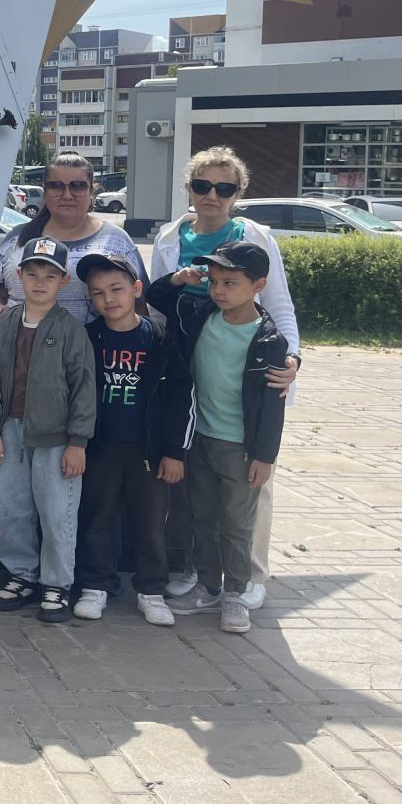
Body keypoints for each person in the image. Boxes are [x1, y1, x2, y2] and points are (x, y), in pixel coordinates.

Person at [149, 146, 300, 609]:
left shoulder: (253, 236)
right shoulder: (170, 237)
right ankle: (199, 570)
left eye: (224, 187)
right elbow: (159, 306)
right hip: (193, 367)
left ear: (238, 193)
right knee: (196, 488)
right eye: (202, 185)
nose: (212, 195)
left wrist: (292, 359)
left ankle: (249, 575)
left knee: (249, 485)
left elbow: (279, 303)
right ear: (189, 188)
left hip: (245, 367)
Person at [149, 243, 289, 635]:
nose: (218, 290)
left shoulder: (268, 340)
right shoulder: (201, 315)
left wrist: (264, 455)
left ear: (258, 285)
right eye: (213, 281)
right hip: (199, 438)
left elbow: (273, 405)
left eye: (230, 283)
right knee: (202, 517)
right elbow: (156, 296)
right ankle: (210, 587)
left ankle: (236, 594)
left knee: (237, 524)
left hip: (241, 448)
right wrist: (180, 278)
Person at [0, 237, 96, 623]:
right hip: (10, 431)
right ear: (19, 276)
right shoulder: (3, 324)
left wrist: (78, 442)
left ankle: (57, 583)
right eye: (32, 274)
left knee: (56, 511)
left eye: (50, 276)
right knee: (11, 508)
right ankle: (22, 574)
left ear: (64, 281)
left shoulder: (71, 330)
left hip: (56, 436)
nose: (40, 282)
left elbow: (83, 389)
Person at [71, 254, 183, 627]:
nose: (108, 299)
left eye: (116, 289)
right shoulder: (88, 338)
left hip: (147, 451)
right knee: (96, 517)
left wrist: (174, 452)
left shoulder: (159, 339)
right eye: (98, 292)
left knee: (150, 523)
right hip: (100, 447)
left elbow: (179, 399)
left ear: (136, 289)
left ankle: (151, 590)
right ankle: (95, 585)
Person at [0, 153, 146, 326]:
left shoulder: (116, 240)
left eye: (78, 186)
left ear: (92, 190)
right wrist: (0, 316)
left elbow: (140, 303)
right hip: (19, 341)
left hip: (92, 343)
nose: (67, 195)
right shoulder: (17, 238)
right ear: (45, 191)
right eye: (57, 186)